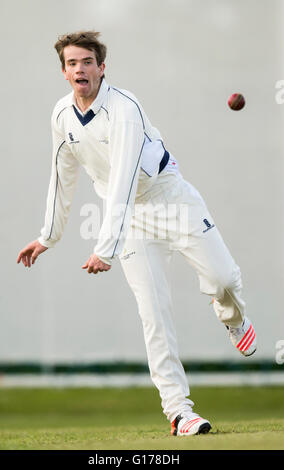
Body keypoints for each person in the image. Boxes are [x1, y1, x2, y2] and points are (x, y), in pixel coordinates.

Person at [17, 31, 257, 436]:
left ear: (101, 67)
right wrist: (48, 236)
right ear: (64, 72)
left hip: (170, 196)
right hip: (129, 220)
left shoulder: (123, 107)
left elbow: (127, 174)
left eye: (88, 61)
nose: (81, 69)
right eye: (73, 63)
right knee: (153, 312)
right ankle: (180, 412)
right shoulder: (61, 116)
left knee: (223, 278)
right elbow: (62, 177)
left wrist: (104, 247)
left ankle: (232, 318)